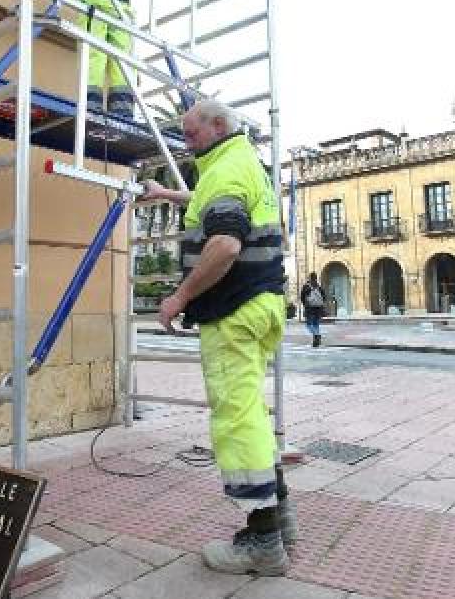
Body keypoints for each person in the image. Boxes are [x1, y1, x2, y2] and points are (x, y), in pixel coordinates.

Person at [142, 100, 293, 576]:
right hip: (260, 305)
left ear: (219, 126)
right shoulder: (240, 163)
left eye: (191, 134)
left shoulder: (226, 170)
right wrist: (168, 193)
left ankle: (263, 543)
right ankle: (281, 523)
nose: (185, 143)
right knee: (251, 415)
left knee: (236, 421)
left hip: (233, 310)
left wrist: (179, 297)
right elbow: (210, 202)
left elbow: (225, 243)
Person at [300, 272, 326, 347]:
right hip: (318, 308)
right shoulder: (318, 286)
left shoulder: (306, 286)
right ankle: (316, 341)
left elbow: (302, 297)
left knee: (308, 325)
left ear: (310, 278)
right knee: (316, 324)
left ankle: (316, 335)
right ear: (316, 278)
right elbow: (324, 297)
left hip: (310, 308)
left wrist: (305, 304)